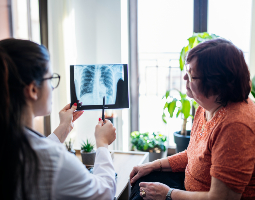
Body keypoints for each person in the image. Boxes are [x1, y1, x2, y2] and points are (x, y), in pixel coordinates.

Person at [129, 38, 255, 200]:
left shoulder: (236, 126)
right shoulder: (206, 104)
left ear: (215, 83)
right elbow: (196, 154)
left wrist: (168, 194)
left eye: (191, 75)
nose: (184, 78)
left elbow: (222, 198)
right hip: (190, 186)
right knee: (140, 181)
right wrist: (154, 165)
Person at [0, 38, 116, 200]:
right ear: (33, 90)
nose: (53, 87)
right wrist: (102, 145)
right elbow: (105, 193)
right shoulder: (54, 161)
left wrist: (63, 128)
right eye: (51, 79)